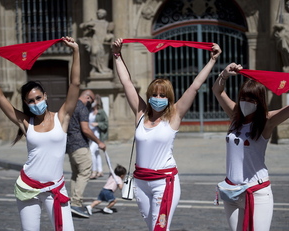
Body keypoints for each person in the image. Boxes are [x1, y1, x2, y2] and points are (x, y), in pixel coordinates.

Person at [112, 38, 221, 231]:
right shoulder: (140, 113)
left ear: (169, 98)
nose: (158, 98)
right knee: (152, 226)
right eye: (154, 94)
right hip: (141, 183)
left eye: (163, 95)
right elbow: (127, 82)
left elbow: (195, 86)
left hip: (164, 182)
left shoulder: (174, 115)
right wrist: (117, 55)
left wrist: (212, 61)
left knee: (159, 228)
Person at [0, 36, 80, 231]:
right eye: (30, 101)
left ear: (45, 96)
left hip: (55, 188)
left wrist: (75, 51)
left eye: (38, 98)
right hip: (27, 188)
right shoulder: (26, 122)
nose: (35, 103)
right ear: (26, 103)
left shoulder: (62, 118)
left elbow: (74, 85)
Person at [212, 63, 289, 231]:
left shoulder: (266, 121)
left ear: (259, 102)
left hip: (257, 192)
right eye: (244, 98)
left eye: (252, 99)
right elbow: (217, 91)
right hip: (231, 191)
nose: (246, 102)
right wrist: (224, 74)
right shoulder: (235, 115)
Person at [66, 89, 106, 218]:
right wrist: (99, 142)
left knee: (75, 174)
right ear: (88, 98)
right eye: (92, 101)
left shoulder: (70, 106)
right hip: (80, 145)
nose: (92, 104)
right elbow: (85, 129)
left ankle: (72, 202)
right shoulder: (82, 108)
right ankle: (76, 203)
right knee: (85, 173)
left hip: (70, 146)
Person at [79, 8, 114, 74]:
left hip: (104, 41)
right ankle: (94, 68)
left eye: (101, 13)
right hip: (95, 39)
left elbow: (110, 32)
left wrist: (109, 36)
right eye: (98, 13)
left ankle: (103, 68)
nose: (99, 14)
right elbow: (81, 26)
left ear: (104, 15)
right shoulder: (94, 22)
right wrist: (87, 25)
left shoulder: (107, 23)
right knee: (94, 52)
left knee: (103, 55)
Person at [89, 94, 109, 179]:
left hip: (97, 135)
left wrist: (97, 124)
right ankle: (100, 171)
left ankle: (94, 171)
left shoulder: (101, 112)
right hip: (90, 135)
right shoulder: (89, 111)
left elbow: (106, 124)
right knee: (96, 153)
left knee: (91, 152)